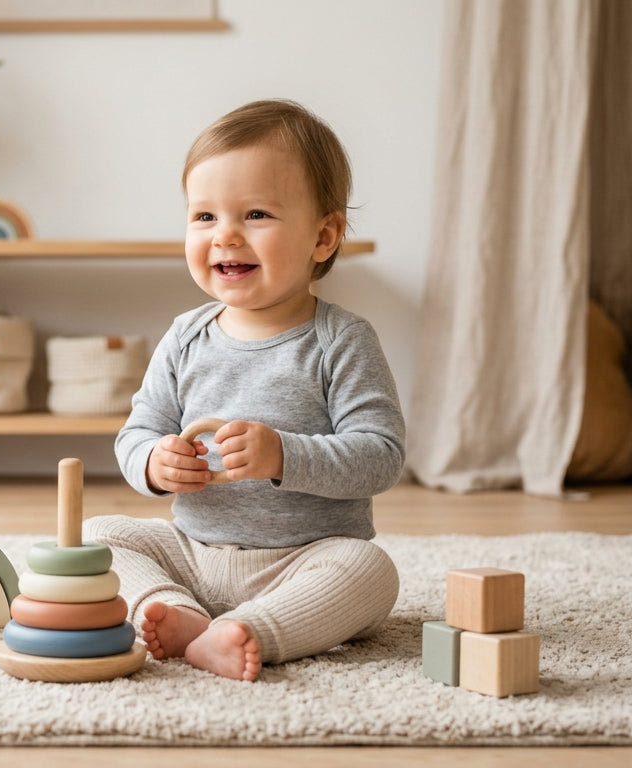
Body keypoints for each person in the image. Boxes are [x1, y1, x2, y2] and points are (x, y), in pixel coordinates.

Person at [87, 99, 405, 682]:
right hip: (194, 554)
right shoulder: (186, 337)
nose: (225, 234)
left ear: (323, 236)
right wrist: (156, 463)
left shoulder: (342, 340)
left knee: (371, 571)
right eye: (204, 216)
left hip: (306, 559)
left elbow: (381, 456)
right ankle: (176, 613)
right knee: (98, 535)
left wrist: (285, 454)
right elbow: (137, 431)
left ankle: (249, 630)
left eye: (255, 213)